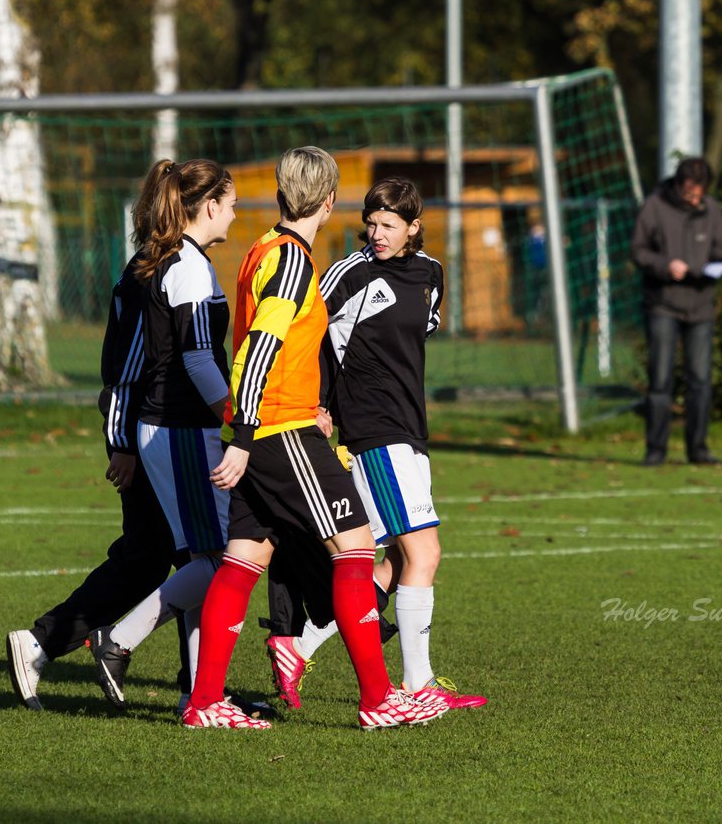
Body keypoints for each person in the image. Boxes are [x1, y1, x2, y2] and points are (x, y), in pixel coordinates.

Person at [180, 147, 450, 730]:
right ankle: (380, 699)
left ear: (282, 194)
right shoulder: (296, 262)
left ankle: (204, 702)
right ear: (329, 201)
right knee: (356, 549)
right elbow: (260, 348)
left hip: (264, 428)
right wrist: (245, 435)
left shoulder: (261, 250)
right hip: (281, 428)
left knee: (242, 559)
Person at [262, 177, 487, 712]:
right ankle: (418, 684)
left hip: (410, 426)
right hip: (372, 427)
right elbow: (305, 335)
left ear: (413, 227)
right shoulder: (349, 272)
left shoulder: (430, 273)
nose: (376, 233)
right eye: (370, 222)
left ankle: (299, 645)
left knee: (387, 562)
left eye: (388, 224)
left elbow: (413, 339)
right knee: (424, 551)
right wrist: (318, 404)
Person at [4, 162, 198, 712]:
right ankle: (46, 643)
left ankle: (195, 687)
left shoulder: (165, 266)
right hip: (149, 438)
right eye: (221, 202)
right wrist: (122, 444)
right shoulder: (150, 273)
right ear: (191, 210)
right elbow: (123, 370)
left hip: (159, 435)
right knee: (177, 558)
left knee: (162, 558)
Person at [83, 158, 241, 712]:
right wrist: (236, 414)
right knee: (223, 559)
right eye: (233, 201)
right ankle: (118, 639)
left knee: (204, 556)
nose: (236, 212)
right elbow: (197, 359)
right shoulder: (189, 268)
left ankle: (200, 696)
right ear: (210, 205)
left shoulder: (181, 260)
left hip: (169, 426)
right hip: (179, 427)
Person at [631, 157, 722, 467]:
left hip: (700, 305)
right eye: (689, 194)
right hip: (663, 303)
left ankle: (698, 450)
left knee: (700, 381)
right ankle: (655, 451)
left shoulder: (712, 210)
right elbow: (637, 250)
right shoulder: (653, 207)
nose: (694, 201)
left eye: (698, 196)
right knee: (660, 380)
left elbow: (719, 246)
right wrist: (665, 266)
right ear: (678, 185)